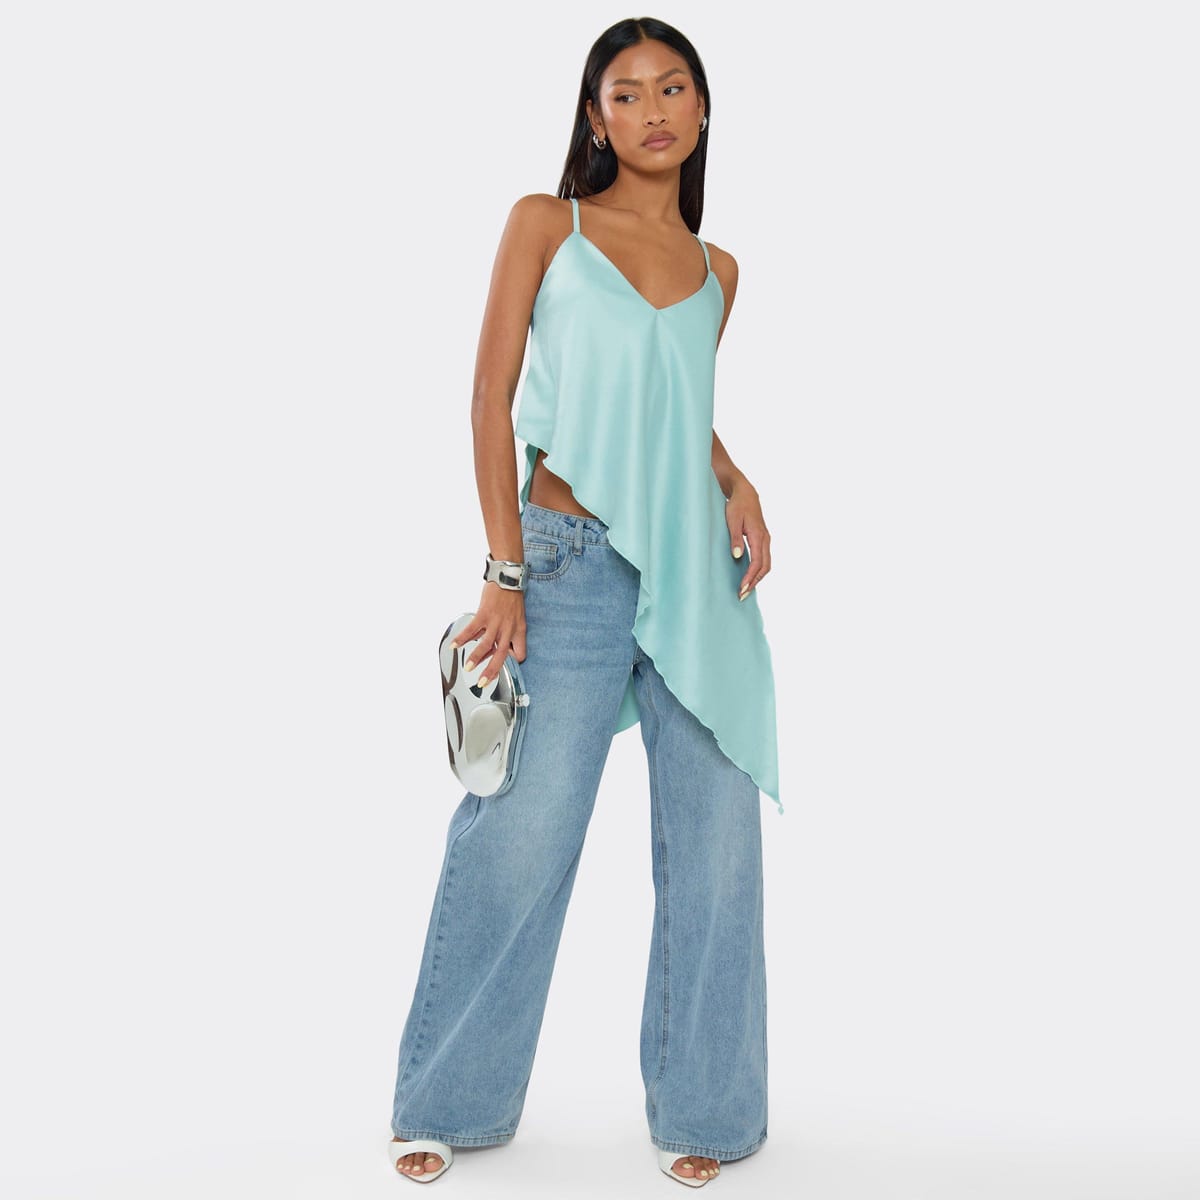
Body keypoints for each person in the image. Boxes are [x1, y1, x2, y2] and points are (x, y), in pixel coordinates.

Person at [388, 16, 781, 1188]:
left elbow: (667, 404)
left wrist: (735, 475)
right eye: (626, 91)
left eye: (674, 88)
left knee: (715, 849)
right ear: (595, 117)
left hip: (699, 574)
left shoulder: (719, 271)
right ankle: (449, 1102)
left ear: (703, 111)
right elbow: (490, 395)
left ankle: (709, 1109)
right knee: (520, 829)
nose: (653, 109)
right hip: (565, 559)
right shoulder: (544, 226)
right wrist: (504, 568)